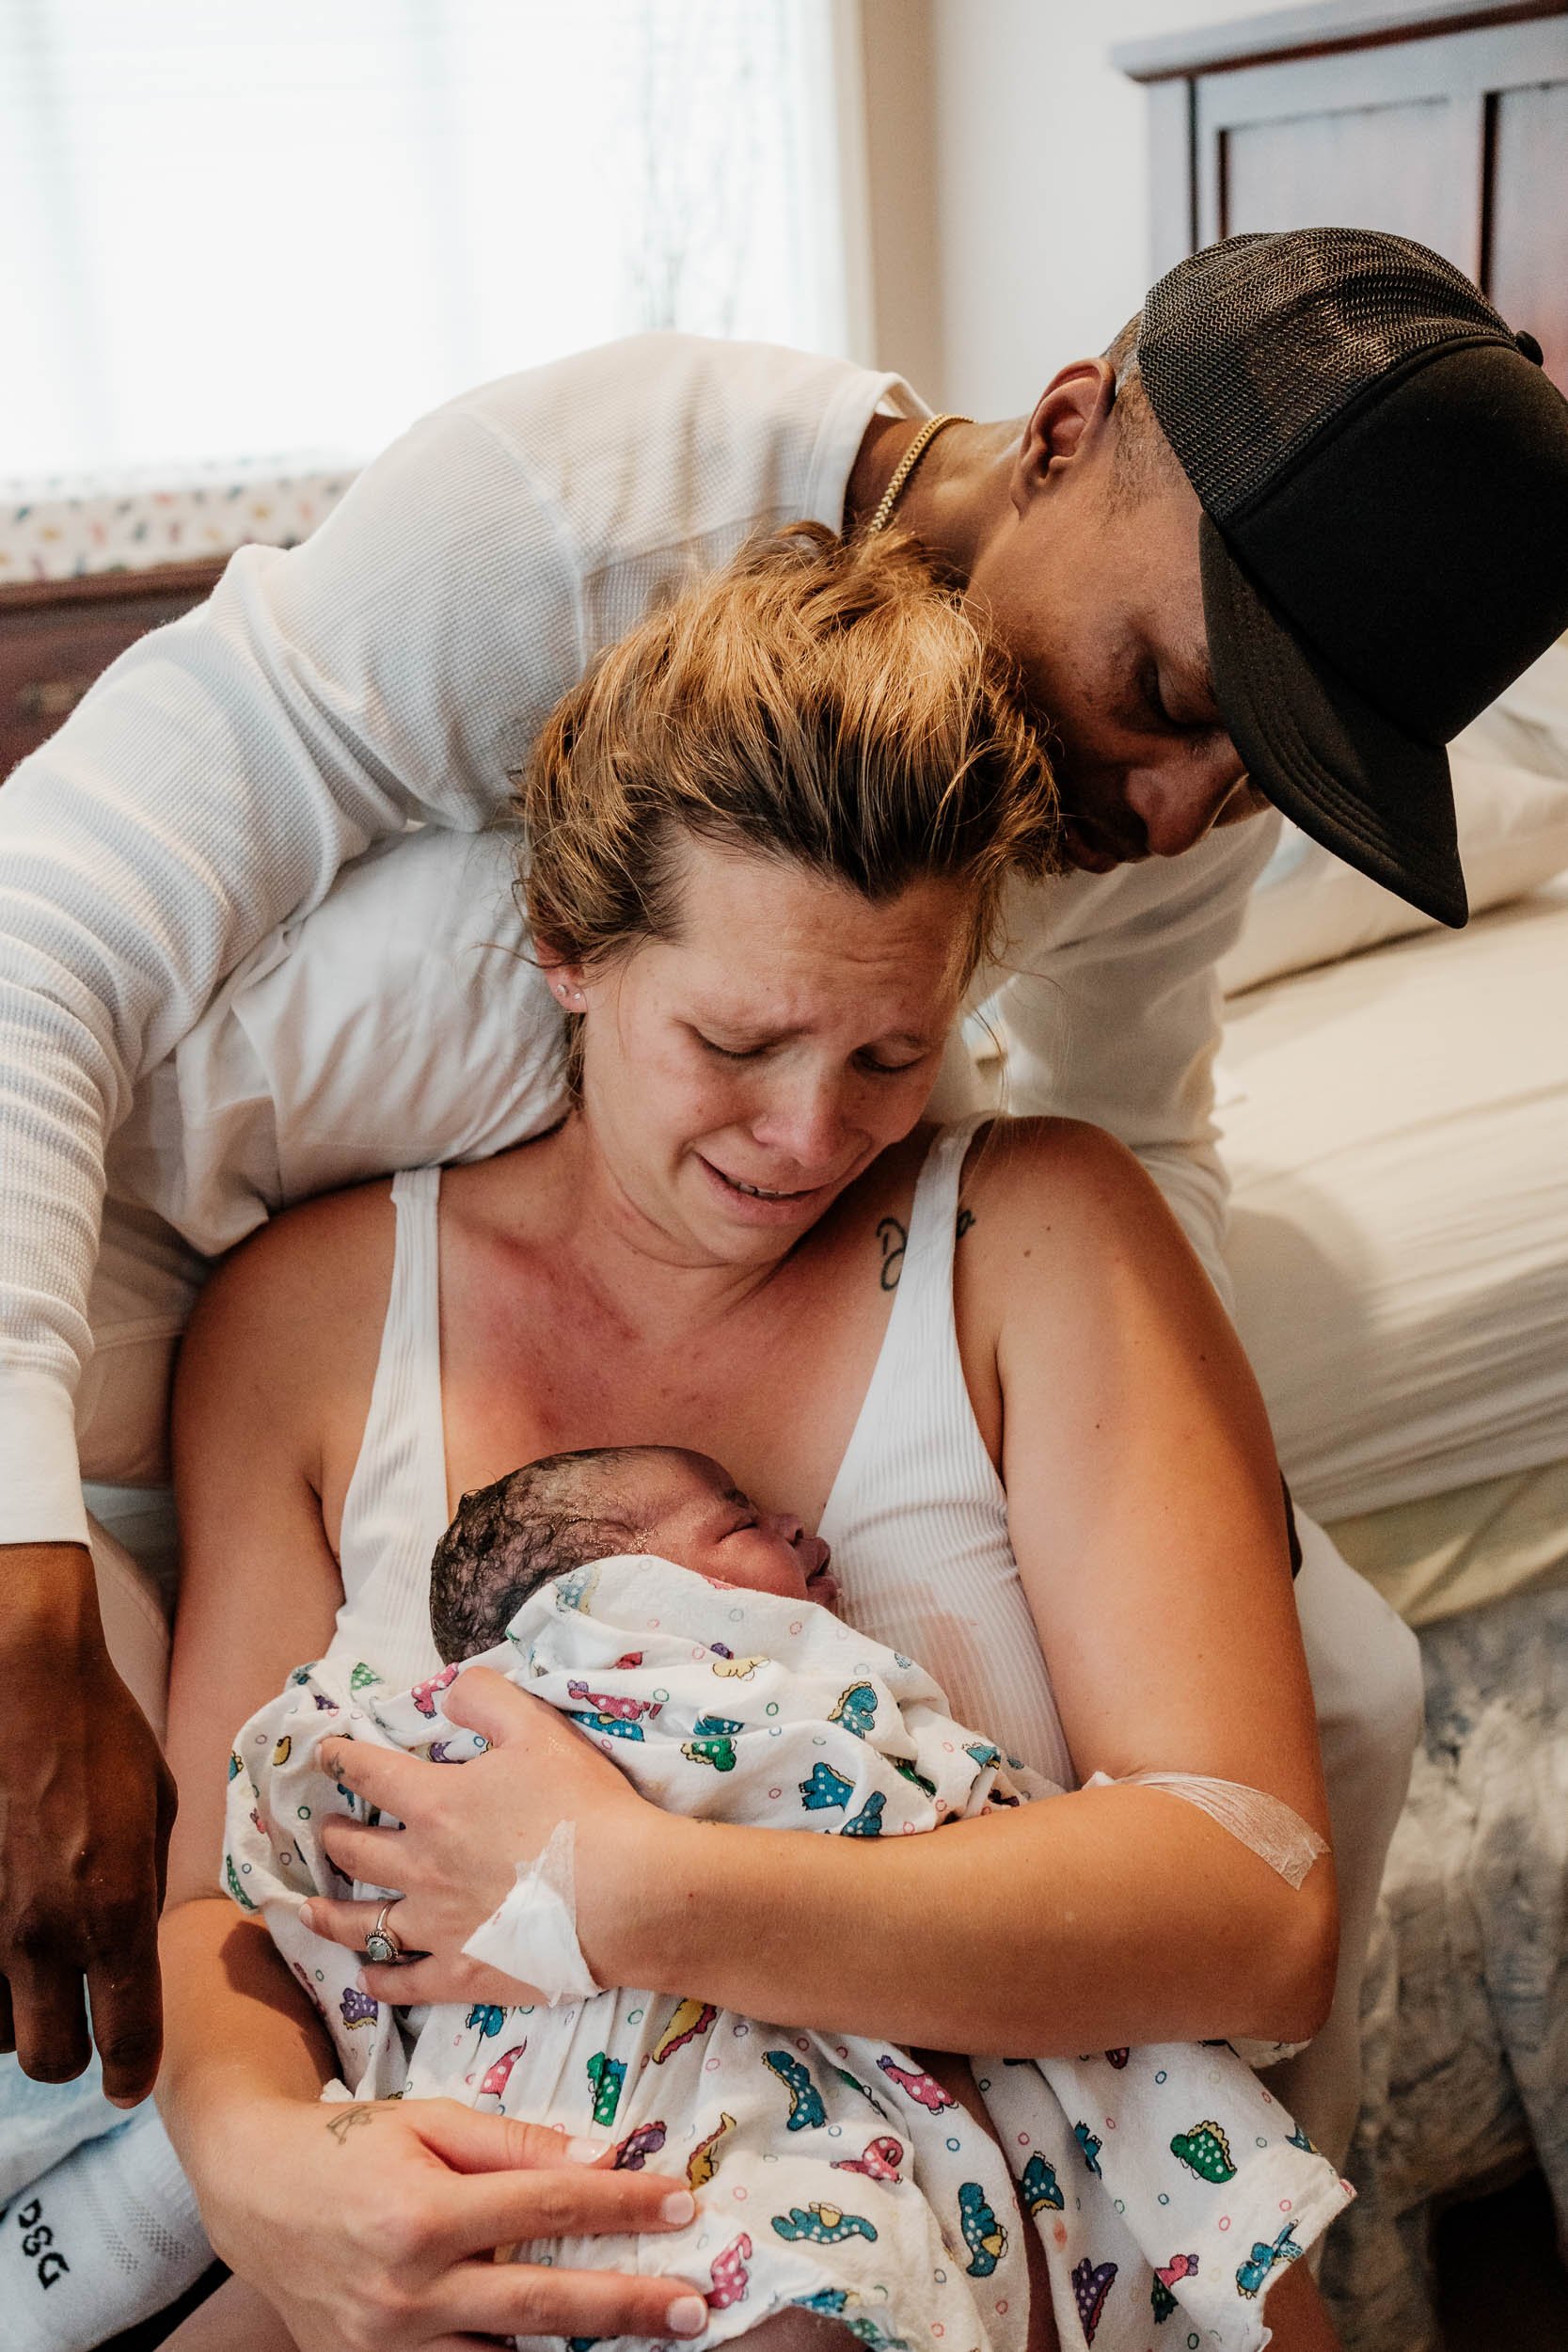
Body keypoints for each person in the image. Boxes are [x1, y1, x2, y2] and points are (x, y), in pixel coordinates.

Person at [3, 225, 1567, 2159]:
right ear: (1065, 427)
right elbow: (42, 930)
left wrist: (1172, 1454)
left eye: (1267, 773)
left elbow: (1129, 1120)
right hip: (114, 1226)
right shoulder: (571, 510)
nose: (1172, 806)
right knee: (111, 2031)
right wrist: (25, 1541)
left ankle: (1216, 2221)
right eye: (1164, 688)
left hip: (617, 1159)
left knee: (1336, 1680)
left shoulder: (1152, 804)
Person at [145, 526, 1343, 2352]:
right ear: (568, 947)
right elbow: (212, 1892)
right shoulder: (307, 1322)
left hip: (947, 2246)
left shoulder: (1031, 1240)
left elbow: (1248, 1907)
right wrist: (254, 2154)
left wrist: (634, 1889)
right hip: (500, 2221)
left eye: (884, 1051)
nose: (804, 1133)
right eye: (736, 1038)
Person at [211, 1441, 1351, 2352]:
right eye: (742, 1522)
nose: (806, 1531)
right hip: (630, 2123)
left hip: (811, 2096)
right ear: (625, 1595)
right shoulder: (553, 1694)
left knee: (1237, 2252)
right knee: (770, 2288)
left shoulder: (788, 1684)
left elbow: (1247, 1904)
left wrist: (626, 1888)